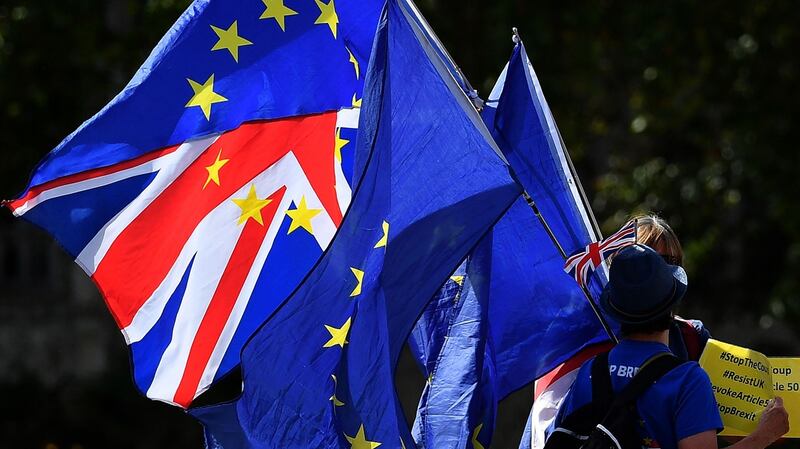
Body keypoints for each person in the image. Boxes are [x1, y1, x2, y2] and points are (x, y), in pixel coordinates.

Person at [546, 244, 789, 449]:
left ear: (617, 311)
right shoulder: (687, 380)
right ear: (671, 307)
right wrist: (763, 435)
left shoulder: (589, 372)